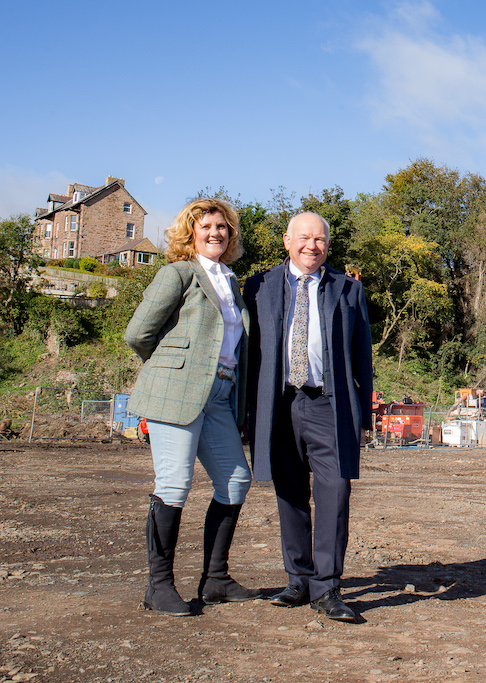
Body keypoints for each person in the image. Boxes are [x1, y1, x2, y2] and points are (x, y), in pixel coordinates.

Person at [125, 198, 257, 616]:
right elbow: (138, 333)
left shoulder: (233, 282)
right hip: (177, 391)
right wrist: (172, 366)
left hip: (220, 396)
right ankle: (158, 587)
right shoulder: (177, 273)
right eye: (206, 227)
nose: (216, 232)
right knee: (175, 485)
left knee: (236, 481)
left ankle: (215, 579)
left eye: (222, 226)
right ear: (190, 233)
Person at [244, 212, 374, 622]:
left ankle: (327, 587)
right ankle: (298, 579)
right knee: (289, 491)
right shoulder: (258, 285)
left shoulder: (349, 289)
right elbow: (249, 353)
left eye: (319, 240)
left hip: (328, 405)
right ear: (287, 240)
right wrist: (246, 409)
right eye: (303, 238)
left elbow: (362, 356)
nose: (311, 246)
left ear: (327, 246)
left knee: (335, 491)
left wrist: (364, 416)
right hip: (279, 403)